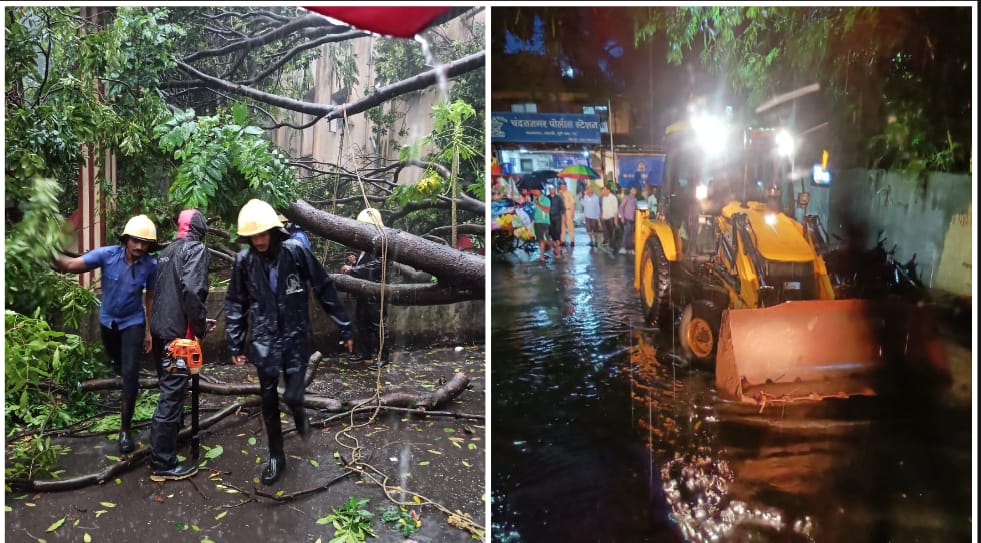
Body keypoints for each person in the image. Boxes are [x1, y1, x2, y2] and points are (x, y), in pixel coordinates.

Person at [225, 199, 354, 486]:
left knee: (294, 395)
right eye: (253, 236)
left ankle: (299, 413)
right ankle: (275, 455)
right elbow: (236, 302)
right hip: (264, 339)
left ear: (273, 230)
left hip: (295, 336)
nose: (258, 241)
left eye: (263, 234)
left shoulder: (295, 252)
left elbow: (323, 286)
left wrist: (345, 327)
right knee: (269, 401)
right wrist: (234, 342)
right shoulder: (244, 262)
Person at [54, 215, 157, 455]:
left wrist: (150, 330)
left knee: (130, 374)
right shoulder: (107, 255)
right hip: (108, 322)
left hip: (133, 322)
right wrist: (43, 252)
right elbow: (70, 266)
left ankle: (124, 429)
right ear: (126, 239)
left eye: (145, 243)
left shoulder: (151, 266)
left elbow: (150, 296)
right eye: (135, 241)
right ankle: (123, 379)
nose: (140, 247)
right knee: (118, 364)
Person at [148, 209, 211, 482]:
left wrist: (197, 320)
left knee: (169, 391)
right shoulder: (196, 249)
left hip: (161, 330)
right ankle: (163, 463)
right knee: (171, 398)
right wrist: (198, 329)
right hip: (179, 338)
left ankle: (170, 440)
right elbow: (193, 291)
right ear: (200, 229)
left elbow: (173, 292)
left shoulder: (167, 251)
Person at [341, 208, 389, 370]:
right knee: (361, 322)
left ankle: (384, 356)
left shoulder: (382, 243)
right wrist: (355, 264)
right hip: (362, 291)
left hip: (375, 291)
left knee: (378, 325)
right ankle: (365, 352)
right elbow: (366, 265)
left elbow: (378, 265)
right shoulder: (366, 245)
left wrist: (353, 270)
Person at [533, 188, 551, 262]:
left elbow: (547, 210)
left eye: (534, 190)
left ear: (539, 190)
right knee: (540, 240)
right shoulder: (535, 199)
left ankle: (557, 248)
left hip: (544, 222)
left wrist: (539, 204)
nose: (533, 191)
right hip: (537, 221)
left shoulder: (546, 199)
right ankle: (542, 256)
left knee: (546, 240)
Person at [618, 186, 638, 255]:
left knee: (631, 235)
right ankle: (623, 248)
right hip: (627, 219)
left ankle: (630, 249)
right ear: (630, 191)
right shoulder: (626, 198)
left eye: (635, 190)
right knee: (626, 233)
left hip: (633, 220)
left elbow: (636, 209)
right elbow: (621, 207)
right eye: (633, 190)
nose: (634, 191)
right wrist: (622, 217)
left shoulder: (635, 200)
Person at [547, 185, 565, 258]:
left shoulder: (558, 198)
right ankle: (555, 247)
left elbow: (562, 208)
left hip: (557, 217)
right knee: (552, 232)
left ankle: (558, 248)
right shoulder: (547, 198)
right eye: (551, 189)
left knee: (558, 232)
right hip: (549, 217)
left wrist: (563, 218)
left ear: (555, 190)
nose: (552, 190)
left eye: (553, 189)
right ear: (549, 190)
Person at [600, 186, 619, 251]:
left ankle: (613, 247)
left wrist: (615, 219)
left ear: (608, 190)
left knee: (612, 233)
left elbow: (615, 209)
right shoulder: (604, 198)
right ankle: (611, 245)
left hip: (611, 218)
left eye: (604, 190)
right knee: (608, 233)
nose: (603, 191)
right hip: (605, 218)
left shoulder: (613, 198)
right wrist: (602, 215)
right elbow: (603, 207)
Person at [559, 182, 576, 247]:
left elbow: (573, 203)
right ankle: (563, 241)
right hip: (561, 212)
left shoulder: (569, 193)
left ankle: (572, 240)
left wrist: (573, 213)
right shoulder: (559, 193)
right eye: (561, 186)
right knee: (562, 227)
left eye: (564, 186)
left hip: (568, 210)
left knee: (570, 227)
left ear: (566, 186)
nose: (562, 188)